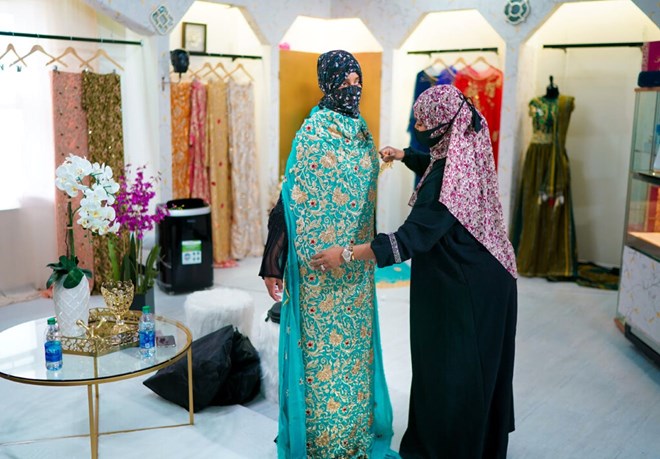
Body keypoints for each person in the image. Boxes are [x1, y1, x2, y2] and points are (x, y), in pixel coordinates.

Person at [311, 85, 518, 458]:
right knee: (461, 366)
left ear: (442, 126)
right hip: (485, 274)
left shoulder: (446, 183)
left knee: (453, 368)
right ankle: (472, 442)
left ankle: (451, 448)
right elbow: (434, 164)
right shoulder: (463, 149)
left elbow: (409, 239)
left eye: (424, 122)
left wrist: (345, 254)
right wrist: (406, 155)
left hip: (467, 286)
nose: (419, 126)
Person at [259, 50, 398, 458]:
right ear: (327, 82)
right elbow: (288, 201)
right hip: (316, 274)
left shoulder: (362, 131)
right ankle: (320, 441)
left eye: (357, 81)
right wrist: (273, 261)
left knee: (354, 355)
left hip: (354, 270)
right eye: (344, 81)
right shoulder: (313, 132)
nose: (352, 89)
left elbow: (360, 188)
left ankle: (353, 433)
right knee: (320, 360)